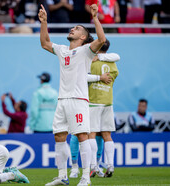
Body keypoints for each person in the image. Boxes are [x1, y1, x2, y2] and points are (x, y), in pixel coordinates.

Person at [39, 0, 106, 185]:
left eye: (77, 28)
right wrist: (44, 22)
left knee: (82, 136)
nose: (72, 29)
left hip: (78, 100)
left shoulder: (86, 51)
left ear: (83, 37)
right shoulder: (62, 50)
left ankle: (85, 177)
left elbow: (101, 40)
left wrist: (95, 17)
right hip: (62, 100)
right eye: (73, 27)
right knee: (59, 136)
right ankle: (62, 177)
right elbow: (44, 43)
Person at [69, 46, 120, 179]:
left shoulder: (90, 61)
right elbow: (116, 60)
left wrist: (97, 76)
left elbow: (80, 77)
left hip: (91, 102)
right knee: (106, 135)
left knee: (89, 134)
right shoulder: (113, 64)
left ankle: (93, 166)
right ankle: (110, 165)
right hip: (108, 102)